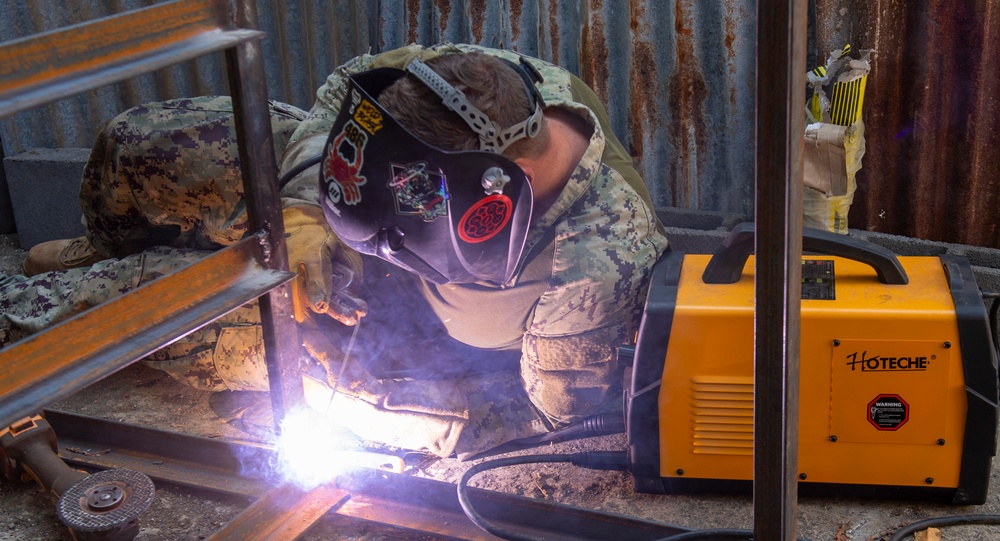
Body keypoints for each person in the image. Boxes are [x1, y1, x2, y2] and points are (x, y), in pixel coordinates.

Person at [1, 44, 668, 459]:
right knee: (145, 144)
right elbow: (345, 93)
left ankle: (37, 309)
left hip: (407, 334)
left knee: (180, 305)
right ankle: (101, 246)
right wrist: (301, 216)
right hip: (380, 226)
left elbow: (543, 420)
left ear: (493, 195)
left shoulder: (597, 266)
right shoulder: (473, 82)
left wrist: (352, 402)